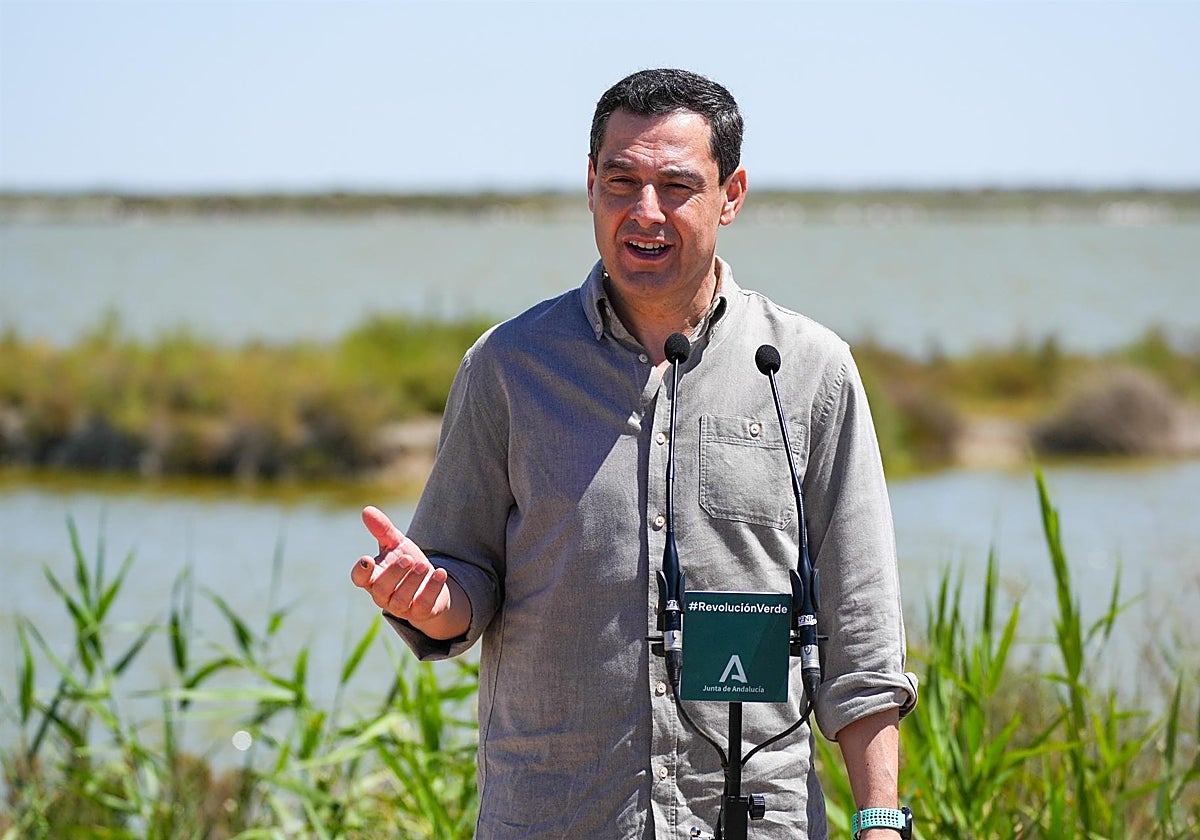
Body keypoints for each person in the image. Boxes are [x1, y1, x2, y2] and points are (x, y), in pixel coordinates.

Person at [350, 68, 917, 840]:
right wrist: (425, 599)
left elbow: (862, 628)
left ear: (732, 194)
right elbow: (460, 577)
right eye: (621, 181)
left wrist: (881, 821)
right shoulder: (509, 367)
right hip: (556, 818)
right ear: (590, 185)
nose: (644, 211)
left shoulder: (810, 371)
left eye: (677, 186)